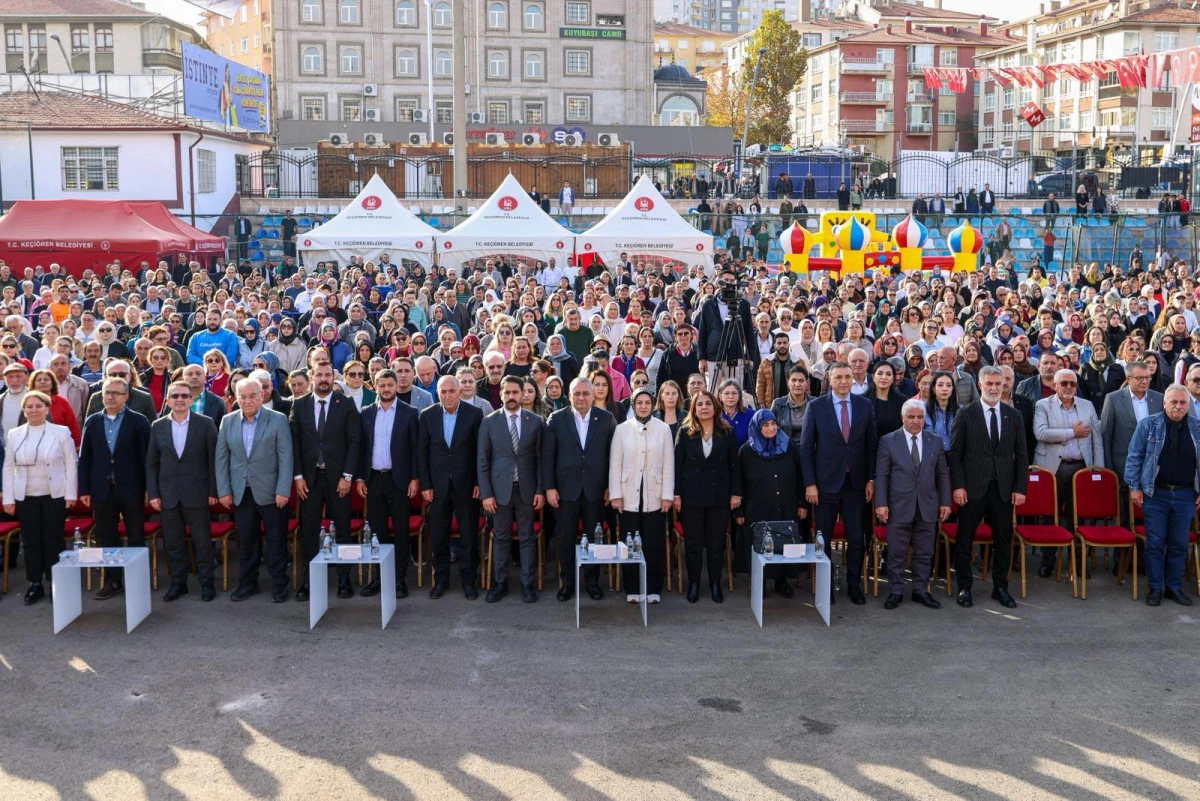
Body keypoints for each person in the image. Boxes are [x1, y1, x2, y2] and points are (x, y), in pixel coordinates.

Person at [948, 365, 1028, 609]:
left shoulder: (1014, 415)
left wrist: (1020, 487)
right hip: (972, 488)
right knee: (965, 537)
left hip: (1003, 488)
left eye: (998, 384)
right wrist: (958, 486)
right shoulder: (965, 413)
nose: (994, 388)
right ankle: (964, 587)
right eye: (989, 384)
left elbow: (1022, 455)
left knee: (1003, 538)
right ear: (980, 385)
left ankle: (1000, 587)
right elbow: (955, 454)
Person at [800, 361, 877, 605]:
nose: (844, 381)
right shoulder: (816, 406)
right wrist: (810, 483)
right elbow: (806, 448)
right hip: (825, 484)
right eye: (838, 377)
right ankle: (825, 587)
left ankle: (853, 584)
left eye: (847, 377)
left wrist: (871, 478)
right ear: (829, 380)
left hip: (856, 484)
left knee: (856, 538)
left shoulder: (864, 405)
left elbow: (871, 445)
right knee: (823, 538)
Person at [215, 378, 294, 603]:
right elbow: (221, 458)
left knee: (276, 541)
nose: (247, 400)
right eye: (243, 396)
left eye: (252, 396)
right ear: (236, 398)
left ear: (262, 396)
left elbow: (286, 457)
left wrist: (283, 490)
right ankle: (247, 584)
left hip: (272, 493)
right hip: (241, 492)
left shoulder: (278, 419)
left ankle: (279, 585)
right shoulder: (228, 421)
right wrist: (224, 490)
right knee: (247, 542)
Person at [291, 362, 362, 602]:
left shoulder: (346, 404)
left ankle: (344, 578)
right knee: (310, 530)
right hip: (309, 480)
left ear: (333, 377)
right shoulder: (300, 404)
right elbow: (294, 444)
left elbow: (354, 443)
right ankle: (309, 580)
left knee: (343, 528)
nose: (323, 379)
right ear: (312, 377)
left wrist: (348, 476)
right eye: (319, 374)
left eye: (327, 375)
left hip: (339, 479)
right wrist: (298, 477)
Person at [542, 376, 616, 602]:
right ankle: (568, 583)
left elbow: (613, 456)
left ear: (593, 395)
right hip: (565, 491)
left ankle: (592, 583)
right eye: (577, 393)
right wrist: (550, 487)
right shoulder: (556, 418)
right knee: (565, 539)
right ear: (570, 395)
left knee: (594, 539)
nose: (581, 398)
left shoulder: (606, 418)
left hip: (596, 490)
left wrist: (610, 486)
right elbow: (548, 457)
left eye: (585, 393)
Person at [77, 376, 150, 601]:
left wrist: (149, 488)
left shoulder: (139, 421)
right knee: (107, 537)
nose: (110, 397)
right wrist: (85, 489)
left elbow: (147, 458)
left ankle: (137, 580)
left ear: (126, 396)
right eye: (107, 393)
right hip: (102, 489)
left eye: (116, 393)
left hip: (131, 488)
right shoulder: (92, 421)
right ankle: (113, 581)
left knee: (135, 536)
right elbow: (85, 458)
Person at [1125, 384, 1199, 606]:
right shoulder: (1148, 425)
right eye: (1173, 401)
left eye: (1182, 402)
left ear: (1188, 405)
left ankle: (1173, 588)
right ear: (1164, 402)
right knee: (1155, 543)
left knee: (1179, 543)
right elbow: (1134, 456)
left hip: (1186, 495)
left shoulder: (1197, 427)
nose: (1178, 406)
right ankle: (1155, 588)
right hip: (1156, 494)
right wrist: (1134, 487)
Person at [146, 381, 219, 602]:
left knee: (202, 543)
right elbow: (151, 464)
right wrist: (154, 494)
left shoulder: (206, 424)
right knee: (173, 543)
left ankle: (207, 584)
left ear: (191, 399)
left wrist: (213, 491)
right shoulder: (157, 426)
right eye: (175, 396)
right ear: (167, 400)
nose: (179, 399)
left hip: (198, 494)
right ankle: (178, 583)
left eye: (184, 396)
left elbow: (214, 461)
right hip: (168, 496)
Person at [2, 391, 78, 605]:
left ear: (47, 409)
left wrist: (71, 493)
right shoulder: (14, 434)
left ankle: (56, 582)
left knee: (53, 539)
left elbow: (71, 463)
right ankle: (35, 583)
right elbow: (8, 466)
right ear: (24, 410)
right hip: (25, 496)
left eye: (38, 406)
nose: (33, 410)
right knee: (31, 541)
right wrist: (8, 498)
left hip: (55, 494)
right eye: (29, 406)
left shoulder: (61, 432)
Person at [874, 398, 950, 609]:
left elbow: (942, 474)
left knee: (924, 552)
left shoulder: (935, 441)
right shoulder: (888, 441)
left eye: (920, 417)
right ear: (902, 418)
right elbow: (882, 475)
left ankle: (920, 590)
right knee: (896, 553)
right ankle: (896, 591)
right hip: (898, 506)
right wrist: (881, 503)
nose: (916, 421)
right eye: (911, 417)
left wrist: (945, 502)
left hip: (927, 506)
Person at [479, 375, 545, 603]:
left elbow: (540, 459)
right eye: (506, 392)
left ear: (523, 393)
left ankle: (528, 585)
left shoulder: (535, 421)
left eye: (515, 392)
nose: (511, 396)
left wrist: (540, 489)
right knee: (501, 538)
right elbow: (483, 460)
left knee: (527, 537)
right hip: (499, 492)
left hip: (527, 490)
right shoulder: (489, 421)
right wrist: (486, 493)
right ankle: (500, 583)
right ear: (501, 394)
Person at [418, 376, 484, 600]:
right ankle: (441, 580)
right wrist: (425, 484)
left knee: (468, 536)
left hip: (466, 485)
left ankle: (469, 581)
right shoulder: (427, 415)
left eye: (451, 391)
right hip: (437, 487)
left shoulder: (474, 414)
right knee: (438, 536)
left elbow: (480, 452)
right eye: (443, 391)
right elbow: (422, 452)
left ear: (459, 391)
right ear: (437, 393)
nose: (447, 396)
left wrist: (478, 482)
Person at [1033, 368, 1103, 578]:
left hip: (1080, 469)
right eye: (1064, 383)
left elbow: (1096, 440)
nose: (1068, 387)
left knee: (1078, 517)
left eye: (1072, 383)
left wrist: (1098, 469)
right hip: (1051, 468)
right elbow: (1041, 433)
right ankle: (1048, 561)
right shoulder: (1042, 405)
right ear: (1055, 385)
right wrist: (1073, 432)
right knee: (1050, 516)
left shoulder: (1087, 405)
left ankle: (1078, 562)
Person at [356, 368, 420, 599]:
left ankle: (399, 580)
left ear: (396, 386)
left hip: (399, 480)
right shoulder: (365, 413)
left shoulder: (410, 413)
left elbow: (416, 449)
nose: (386, 389)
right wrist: (360, 477)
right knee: (377, 532)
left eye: (390, 385)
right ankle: (378, 578)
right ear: (375, 386)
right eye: (381, 385)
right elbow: (361, 449)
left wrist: (414, 478)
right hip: (374, 480)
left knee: (401, 532)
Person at [674, 389, 741, 603]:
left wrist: (735, 494)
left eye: (708, 403)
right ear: (694, 409)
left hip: (719, 497)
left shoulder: (727, 432)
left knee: (716, 544)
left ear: (715, 407)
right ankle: (693, 584)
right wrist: (676, 494)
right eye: (700, 404)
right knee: (693, 544)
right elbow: (677, 466)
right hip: (691, 498)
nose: (704, 407)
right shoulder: (684, 432)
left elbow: (734, 466)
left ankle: (714, 584)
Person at [609, 388, 674, 604]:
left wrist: (667, 495)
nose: (643, 406)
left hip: (655, 494)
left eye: (647, 402)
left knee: (654, 543)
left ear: (653, 405)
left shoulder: (663, 429)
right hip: (628, 494)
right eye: (639, 402)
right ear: (633, 405)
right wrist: (616, 495)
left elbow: (668, 464)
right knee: (629, 544)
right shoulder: (622, 429)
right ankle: (632, 588)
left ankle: (653, 588)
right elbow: (615, 464)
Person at [738, 408, 805, 598]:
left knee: (783, 543)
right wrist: (739, 511)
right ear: (757, 427)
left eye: (773, 424)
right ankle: (759, 583)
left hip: (786, 504)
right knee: (760, 544)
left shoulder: (787, 445)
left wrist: (802, 503)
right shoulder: (746, 451)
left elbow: (800, 475)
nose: (771, 428)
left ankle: (781, 581)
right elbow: (739, 483)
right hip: (758, 507)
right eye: (765, 425)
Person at [755, 331, 794, 409]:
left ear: (789, 344)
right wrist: (760, 402)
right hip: (771, 405)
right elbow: (760, 384)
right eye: (779, 343)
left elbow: (805, 385)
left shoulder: (798, 362)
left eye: (785, 343)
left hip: (792, 405)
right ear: (774, 345)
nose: (782, 345)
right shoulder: (766, 362)